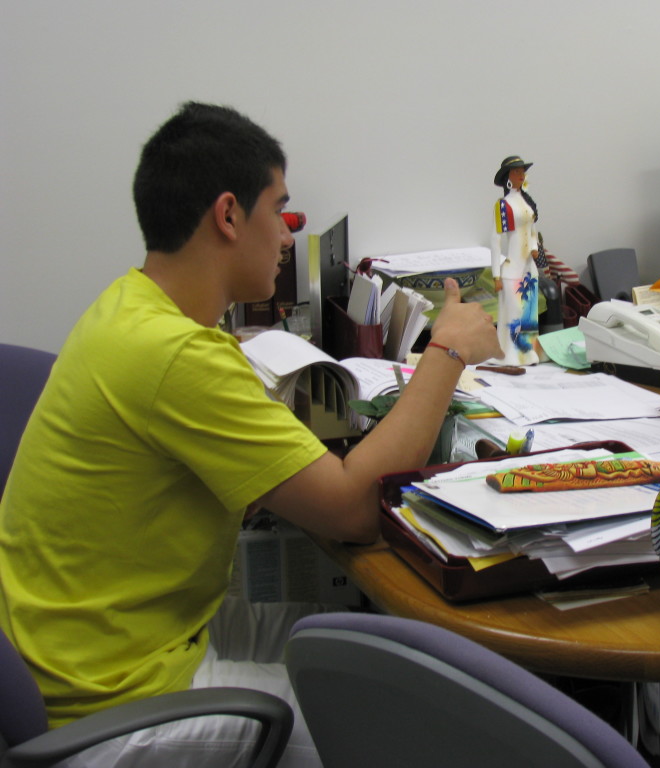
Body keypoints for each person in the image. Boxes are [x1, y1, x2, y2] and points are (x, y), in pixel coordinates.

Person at [0, 102, 500, 767]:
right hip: (114, 704)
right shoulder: (176, 354)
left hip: (95, 648)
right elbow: (355, 511)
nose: (290, 235)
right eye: (281, 211)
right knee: (392, 716)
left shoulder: (130, 305)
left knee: (381, 649)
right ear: (229, 215)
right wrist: (448, 354)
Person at [490, 155, 542, 365]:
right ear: (508, 177)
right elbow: (495, 240)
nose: (521, 175)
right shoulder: (503, 205)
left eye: (522, 171)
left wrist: (535, 247)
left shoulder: (527, 202)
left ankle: (528, 351)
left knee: (529, 313)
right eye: (516, 172)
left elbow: (532, 229)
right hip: (512, 267)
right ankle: (510, 353)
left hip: (529, 267)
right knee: (514, 312)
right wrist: (495, 274)